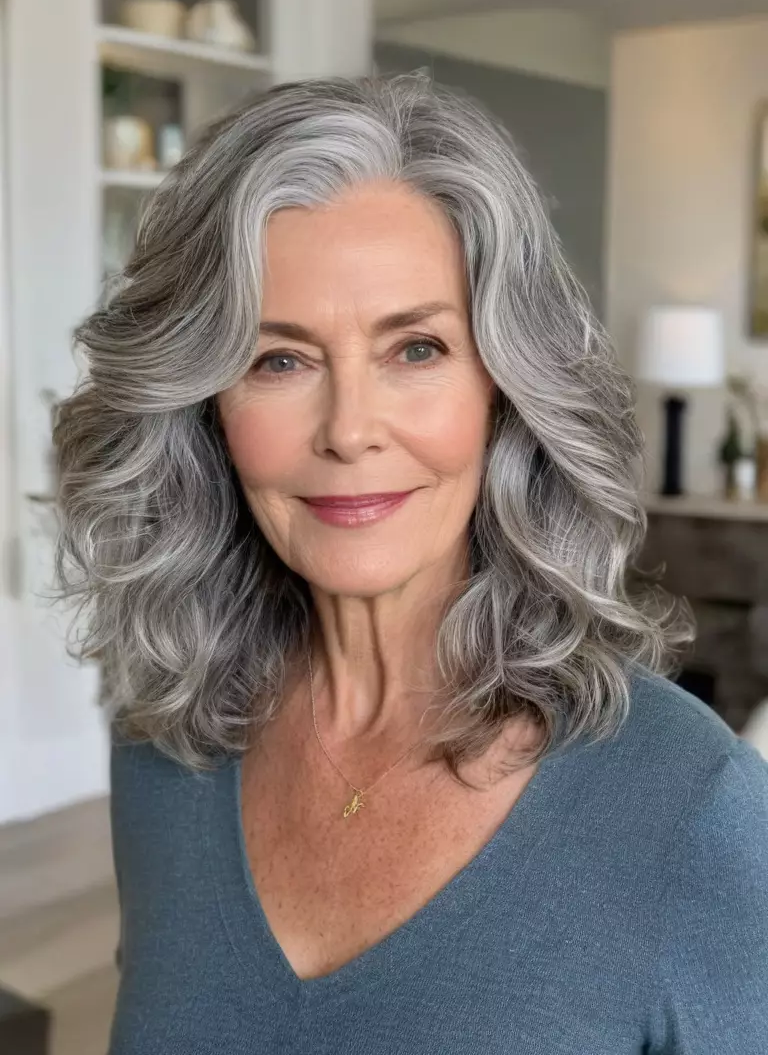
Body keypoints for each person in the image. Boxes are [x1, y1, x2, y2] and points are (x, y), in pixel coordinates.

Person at [51, 73, 768, 1054]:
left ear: (505, 390)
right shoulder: (164, 742)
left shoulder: (694, 808)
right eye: (279, 359)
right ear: (205, 407)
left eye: (417, 349)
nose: (349, 431)